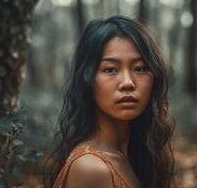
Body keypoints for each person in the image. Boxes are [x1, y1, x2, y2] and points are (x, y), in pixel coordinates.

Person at [44, 15, 175, 188]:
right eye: (110, 69)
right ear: (88, 80)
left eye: (140, 68)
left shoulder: (135, 155)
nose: (127, 82)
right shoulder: (90, 168)